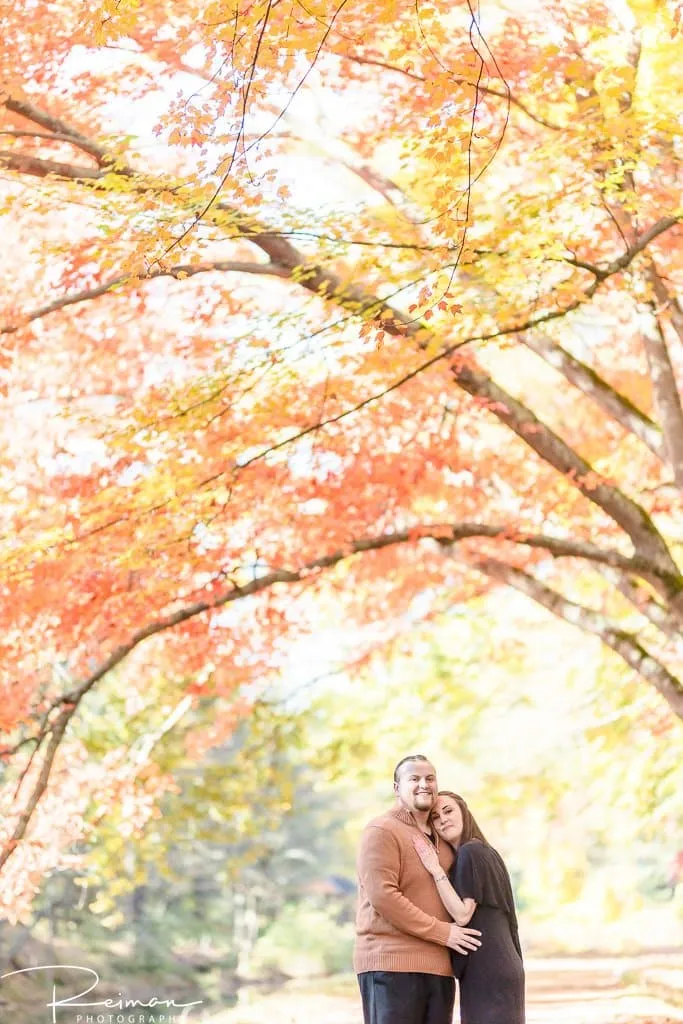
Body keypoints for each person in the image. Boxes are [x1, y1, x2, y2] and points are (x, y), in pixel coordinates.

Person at [354, 755, 482, 1024]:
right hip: (391, 965)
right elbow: (384, 897)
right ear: (396, 788)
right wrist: (443, 932)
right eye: (414, 779)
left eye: (430, 778)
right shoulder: (382, 830)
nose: (424, 784)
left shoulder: (445, 839)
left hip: (440, 969)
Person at [413, 791, 525, 1024]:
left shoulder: (470, 852)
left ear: (464, 812)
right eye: (435, 817)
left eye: (448, 811)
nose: (443, 820)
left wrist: (435, 870)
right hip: (499, 965)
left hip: (488, 968)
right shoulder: (485, 851)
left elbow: (463, 915)